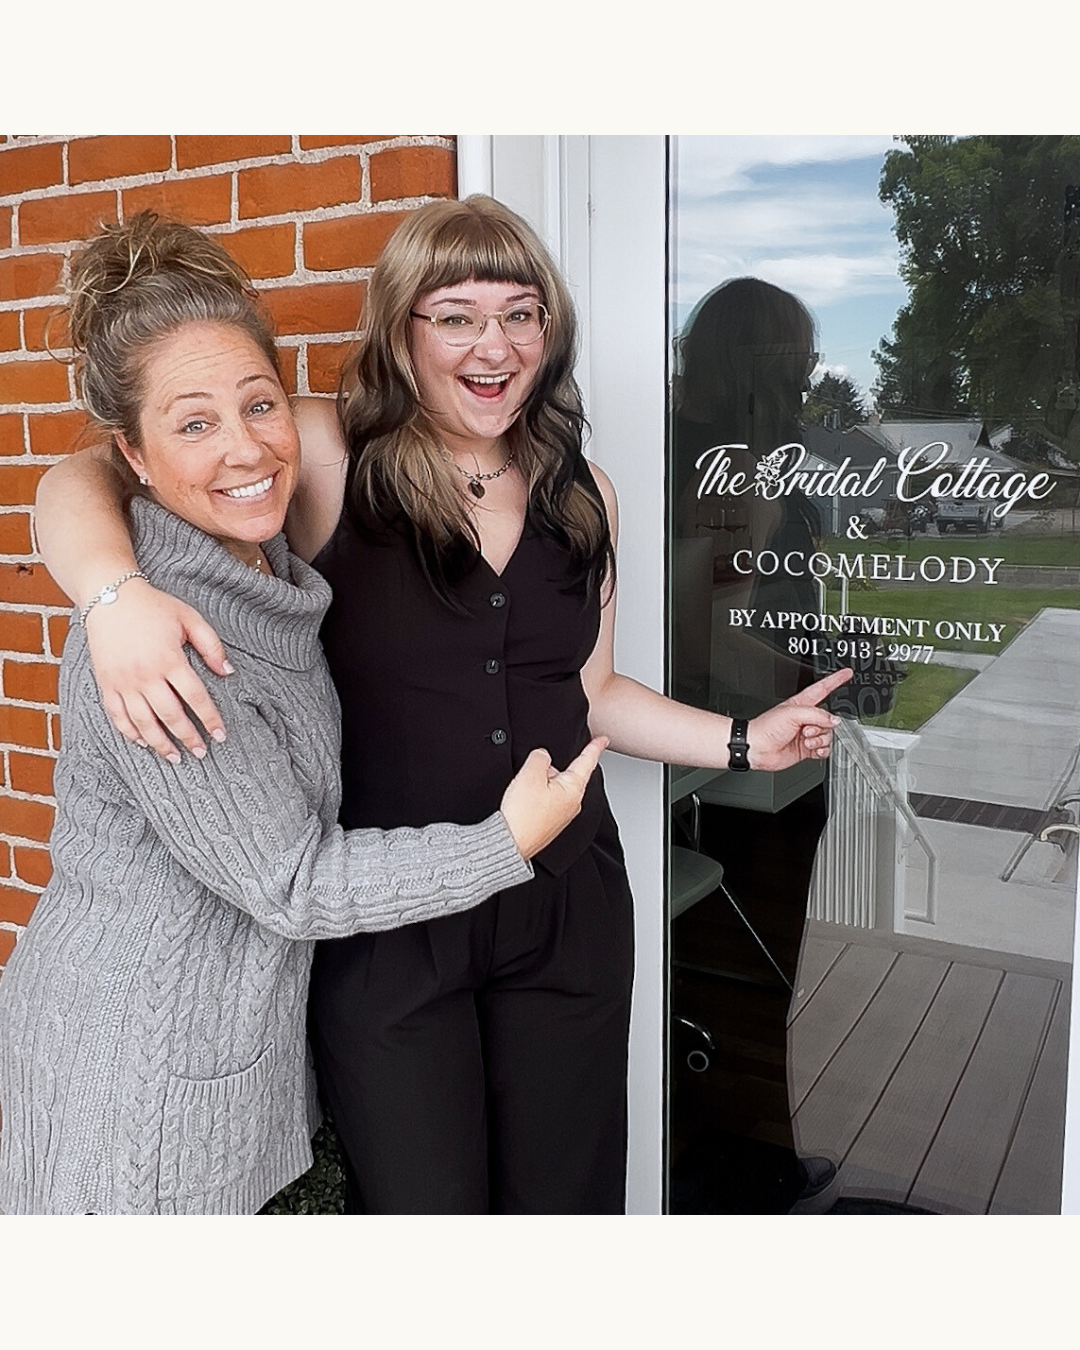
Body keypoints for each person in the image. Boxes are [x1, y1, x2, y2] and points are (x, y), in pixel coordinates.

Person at [34, 197, 851, 1214]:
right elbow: (88, 470)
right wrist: (113, 599)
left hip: (564, 904)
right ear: (403, 334)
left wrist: (742, 740)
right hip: (388, 927)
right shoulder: (331, 454)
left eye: (521, 313)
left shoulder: (585, 491)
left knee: (563, 1206)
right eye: (455, 314)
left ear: (549, 335)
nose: (493, 342)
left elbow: (593, 692)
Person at [0, 214, 606, 1216]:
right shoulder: (171, 648)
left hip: (233, 1048)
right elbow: (293, 880)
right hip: (139, 1083)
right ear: (135, 458)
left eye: (260, 405)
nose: (244, 449)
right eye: (193, 425)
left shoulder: (267, 566)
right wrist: (505, 843)